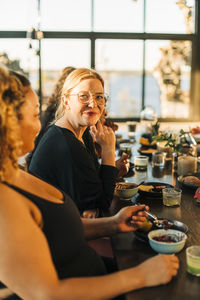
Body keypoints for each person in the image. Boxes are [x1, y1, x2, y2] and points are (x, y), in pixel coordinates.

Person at [0, 66, 179, 300]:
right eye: (35, 115)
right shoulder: (4, 200)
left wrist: (113, 224)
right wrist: (140, 275)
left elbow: (57, 229)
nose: (38, 126)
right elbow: (47, 294)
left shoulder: (12, 172)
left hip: (91, 270)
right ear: (8, 123)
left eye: (99, 97)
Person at [28, 68, 119, 218]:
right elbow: (102, 202)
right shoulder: (66, 145)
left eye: (99, 97)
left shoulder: (82, 132)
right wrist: (108, 149)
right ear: (66, 101)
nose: (93, 103)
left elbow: (95, 182)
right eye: (84, 96)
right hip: (53, 232)